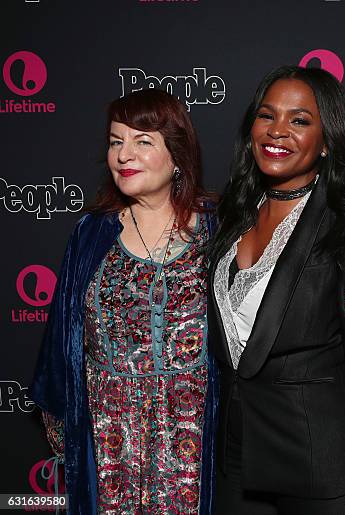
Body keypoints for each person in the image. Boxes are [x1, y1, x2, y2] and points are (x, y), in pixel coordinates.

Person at [208, 65, 345, 515]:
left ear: (326, 140)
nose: (278, 131)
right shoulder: (236, 210)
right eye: (266, 115)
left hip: (320, 468)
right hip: (238, 461)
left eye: (299, 120)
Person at [30, 89, 218, 515]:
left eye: (142, 141)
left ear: (177, 154)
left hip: (191, 434)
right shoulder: (91, 233)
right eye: (116, 141)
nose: (123, 155)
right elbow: (62, 340)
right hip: (107, 434)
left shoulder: (218, 230)